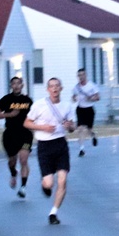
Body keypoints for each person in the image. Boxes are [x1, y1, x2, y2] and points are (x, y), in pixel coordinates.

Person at [23, 78, 77, 225]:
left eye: (57, 86)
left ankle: (53, 212)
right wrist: (43, 128)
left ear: (61, 88)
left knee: (63, 180)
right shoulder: (39, 105)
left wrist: (69, 126)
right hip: (44, 146)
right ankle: (44, 185)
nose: (54, 89)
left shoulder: (67, 106)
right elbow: (27, 122)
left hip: (60, 144)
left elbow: (73, 128)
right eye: (51, 87)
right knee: (49, 183)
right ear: (48, 89)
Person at [0, 76, 33, 198]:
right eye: (14, 84)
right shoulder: (6, 99)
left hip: (25, 134)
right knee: (12, 161)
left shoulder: (27, 100)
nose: (16, 86)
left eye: (18, 83)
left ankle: (23, 187)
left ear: (22, 85)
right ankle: (13, 173)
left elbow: (35, 115)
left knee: (23, 160)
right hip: (10, 134)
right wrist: (10, 114)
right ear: (11, 86)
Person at [71, 68, 100, 156]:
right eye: (79, 75)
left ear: (85, 75)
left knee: (88, 129)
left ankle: (93, 135)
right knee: (80, 128)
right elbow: (73, 97)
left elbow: (98, 97)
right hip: (80, 109)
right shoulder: (76, 87)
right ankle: (82, 149)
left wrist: (91, 98)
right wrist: (74, 99)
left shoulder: (92, 85)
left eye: (82, 75)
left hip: (89, 109)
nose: (81, 77)